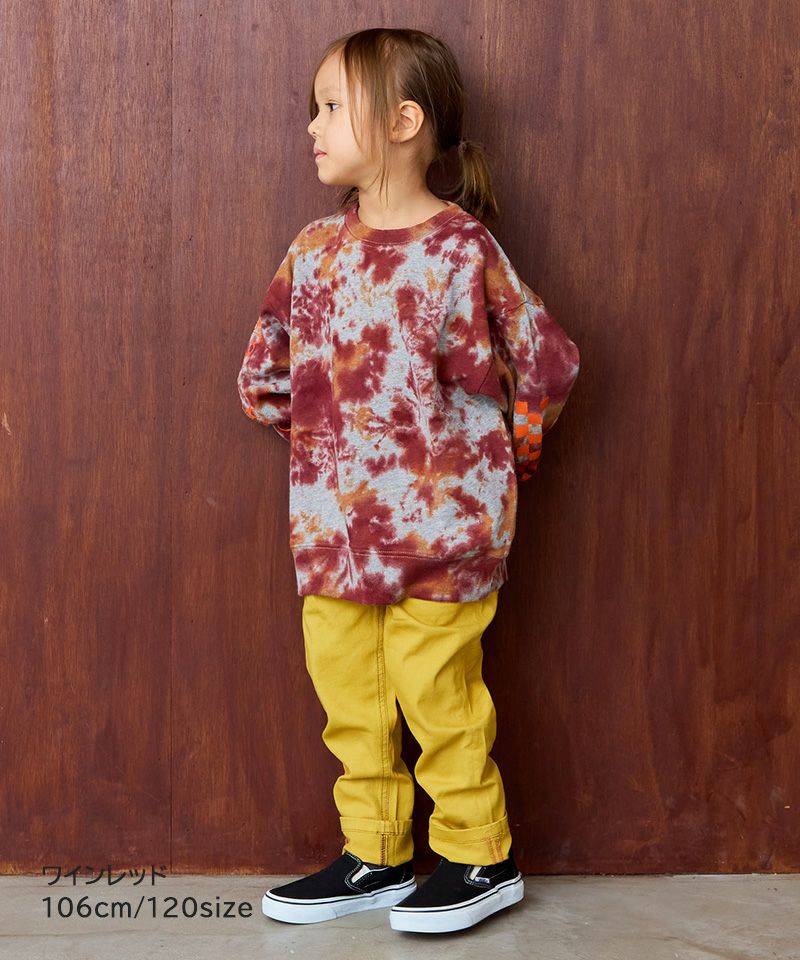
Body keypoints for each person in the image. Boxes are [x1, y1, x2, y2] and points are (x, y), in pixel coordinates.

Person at [237, 27, 580, 935]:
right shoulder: (314, 250)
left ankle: (480, 854)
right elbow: (262, 374)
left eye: (331, 107)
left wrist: (499, 464)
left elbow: (547, 362)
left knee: (438, 692)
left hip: (444, 533)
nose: (312, 126)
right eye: (313, 109)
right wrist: (337, 453)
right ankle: (376, 854)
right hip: (333, 535)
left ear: (403, 122)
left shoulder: (462, 251)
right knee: (350, 696)